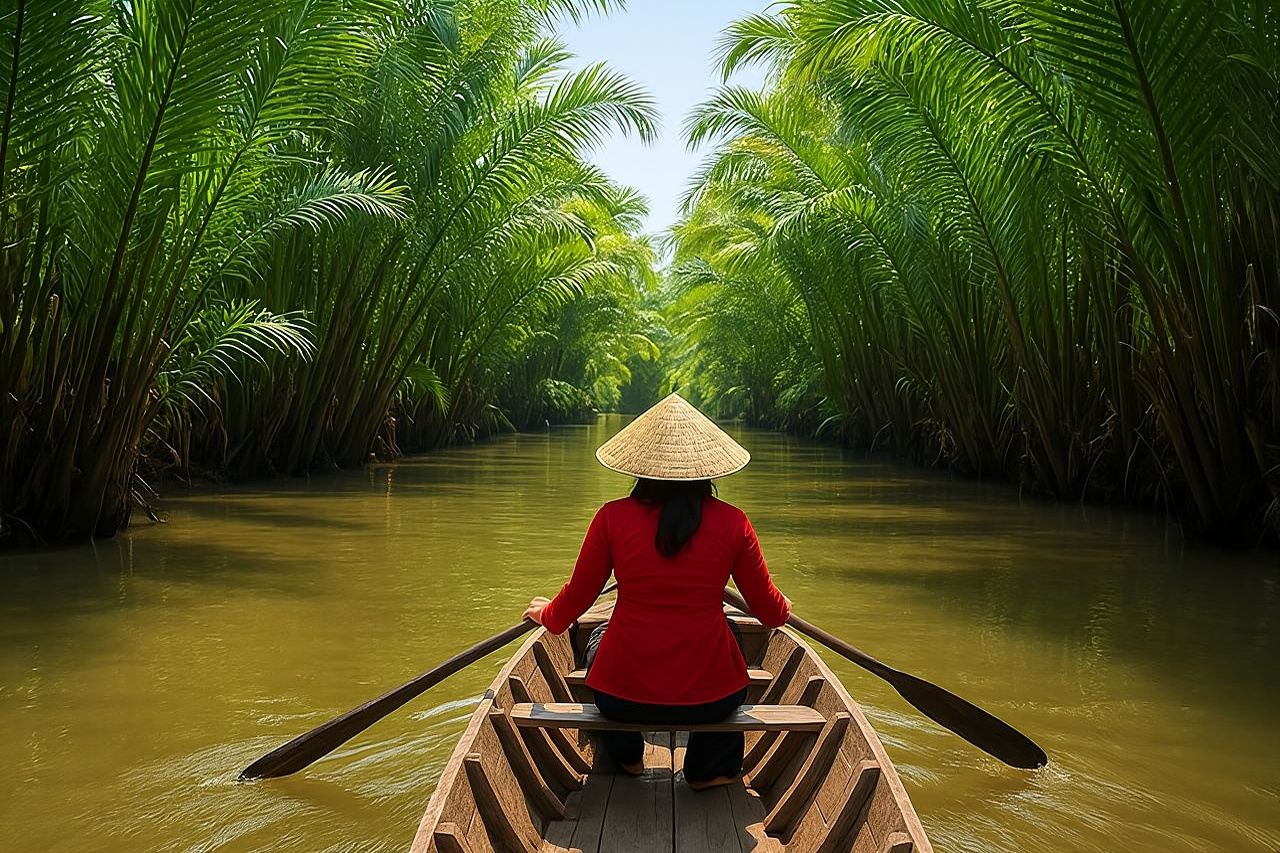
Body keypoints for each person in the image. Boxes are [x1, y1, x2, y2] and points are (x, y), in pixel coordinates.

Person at [522, 393, 791, 791]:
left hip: (621, 697)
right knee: (731, 634)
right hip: (711, 699)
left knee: (599, 637)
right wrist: (784, 604)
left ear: (640, 469)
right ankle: (708, 770)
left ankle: (627, 756)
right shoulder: (734, 523)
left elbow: (570, 609)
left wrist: (545, 613)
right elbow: (771, 615)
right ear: (707, 470)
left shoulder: (611, 518)